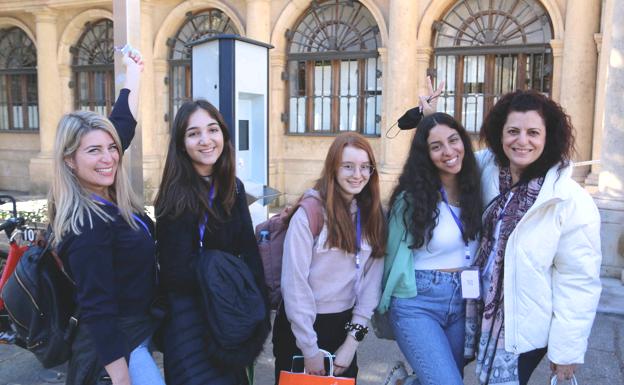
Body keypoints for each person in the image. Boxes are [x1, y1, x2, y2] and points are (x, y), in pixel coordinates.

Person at [466, 90, 602, 385]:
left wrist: (567, 351)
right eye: (513, 131)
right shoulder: (486, 170)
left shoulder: (569, 200)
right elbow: (446, 155)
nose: (522, 141)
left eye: (533, 132)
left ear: (548, 137)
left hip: (524, 328)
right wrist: (426, 118)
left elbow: (578, 279)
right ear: (499, 134)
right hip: (473, 311)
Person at [50, 51, 166, 385]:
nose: (109, 158)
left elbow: (122, 126)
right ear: (70, 160)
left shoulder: (103, 189)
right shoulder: (88, 224)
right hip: (118, 345)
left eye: (111, 148)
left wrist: (134, 73)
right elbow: (97, 308)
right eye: (94, 151)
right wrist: (121, 378)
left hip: (137, 331)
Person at [154, 99, 269, 385]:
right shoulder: (174, 195)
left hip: (229, 319)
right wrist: (224, 274)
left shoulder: (234, 187)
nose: (206, 140)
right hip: (190, 324)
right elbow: (175, 274)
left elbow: (248, 252)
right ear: (181, 144)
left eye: (212, 130)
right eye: (193, 133)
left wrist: (259, 311)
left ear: (223, 136)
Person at [272, 132, 387, 383]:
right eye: (348, 166)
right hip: (300, 327)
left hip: (344, 327)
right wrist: (309, 348)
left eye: (365, 167)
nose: (358, 174)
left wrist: (351, 344)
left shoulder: (373, 216)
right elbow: (295, 285)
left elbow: (370, 287)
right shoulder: (309, 214)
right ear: (333, 168)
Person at [377, 112, 482, 385]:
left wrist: (430, 112)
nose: (448, 151)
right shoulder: (410, 199)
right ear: (426, 154)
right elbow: (388, 257)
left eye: (453, 140)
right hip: (417, 302)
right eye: (436, 146)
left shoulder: (476, 187)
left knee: (445, 377)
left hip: (463, 302)